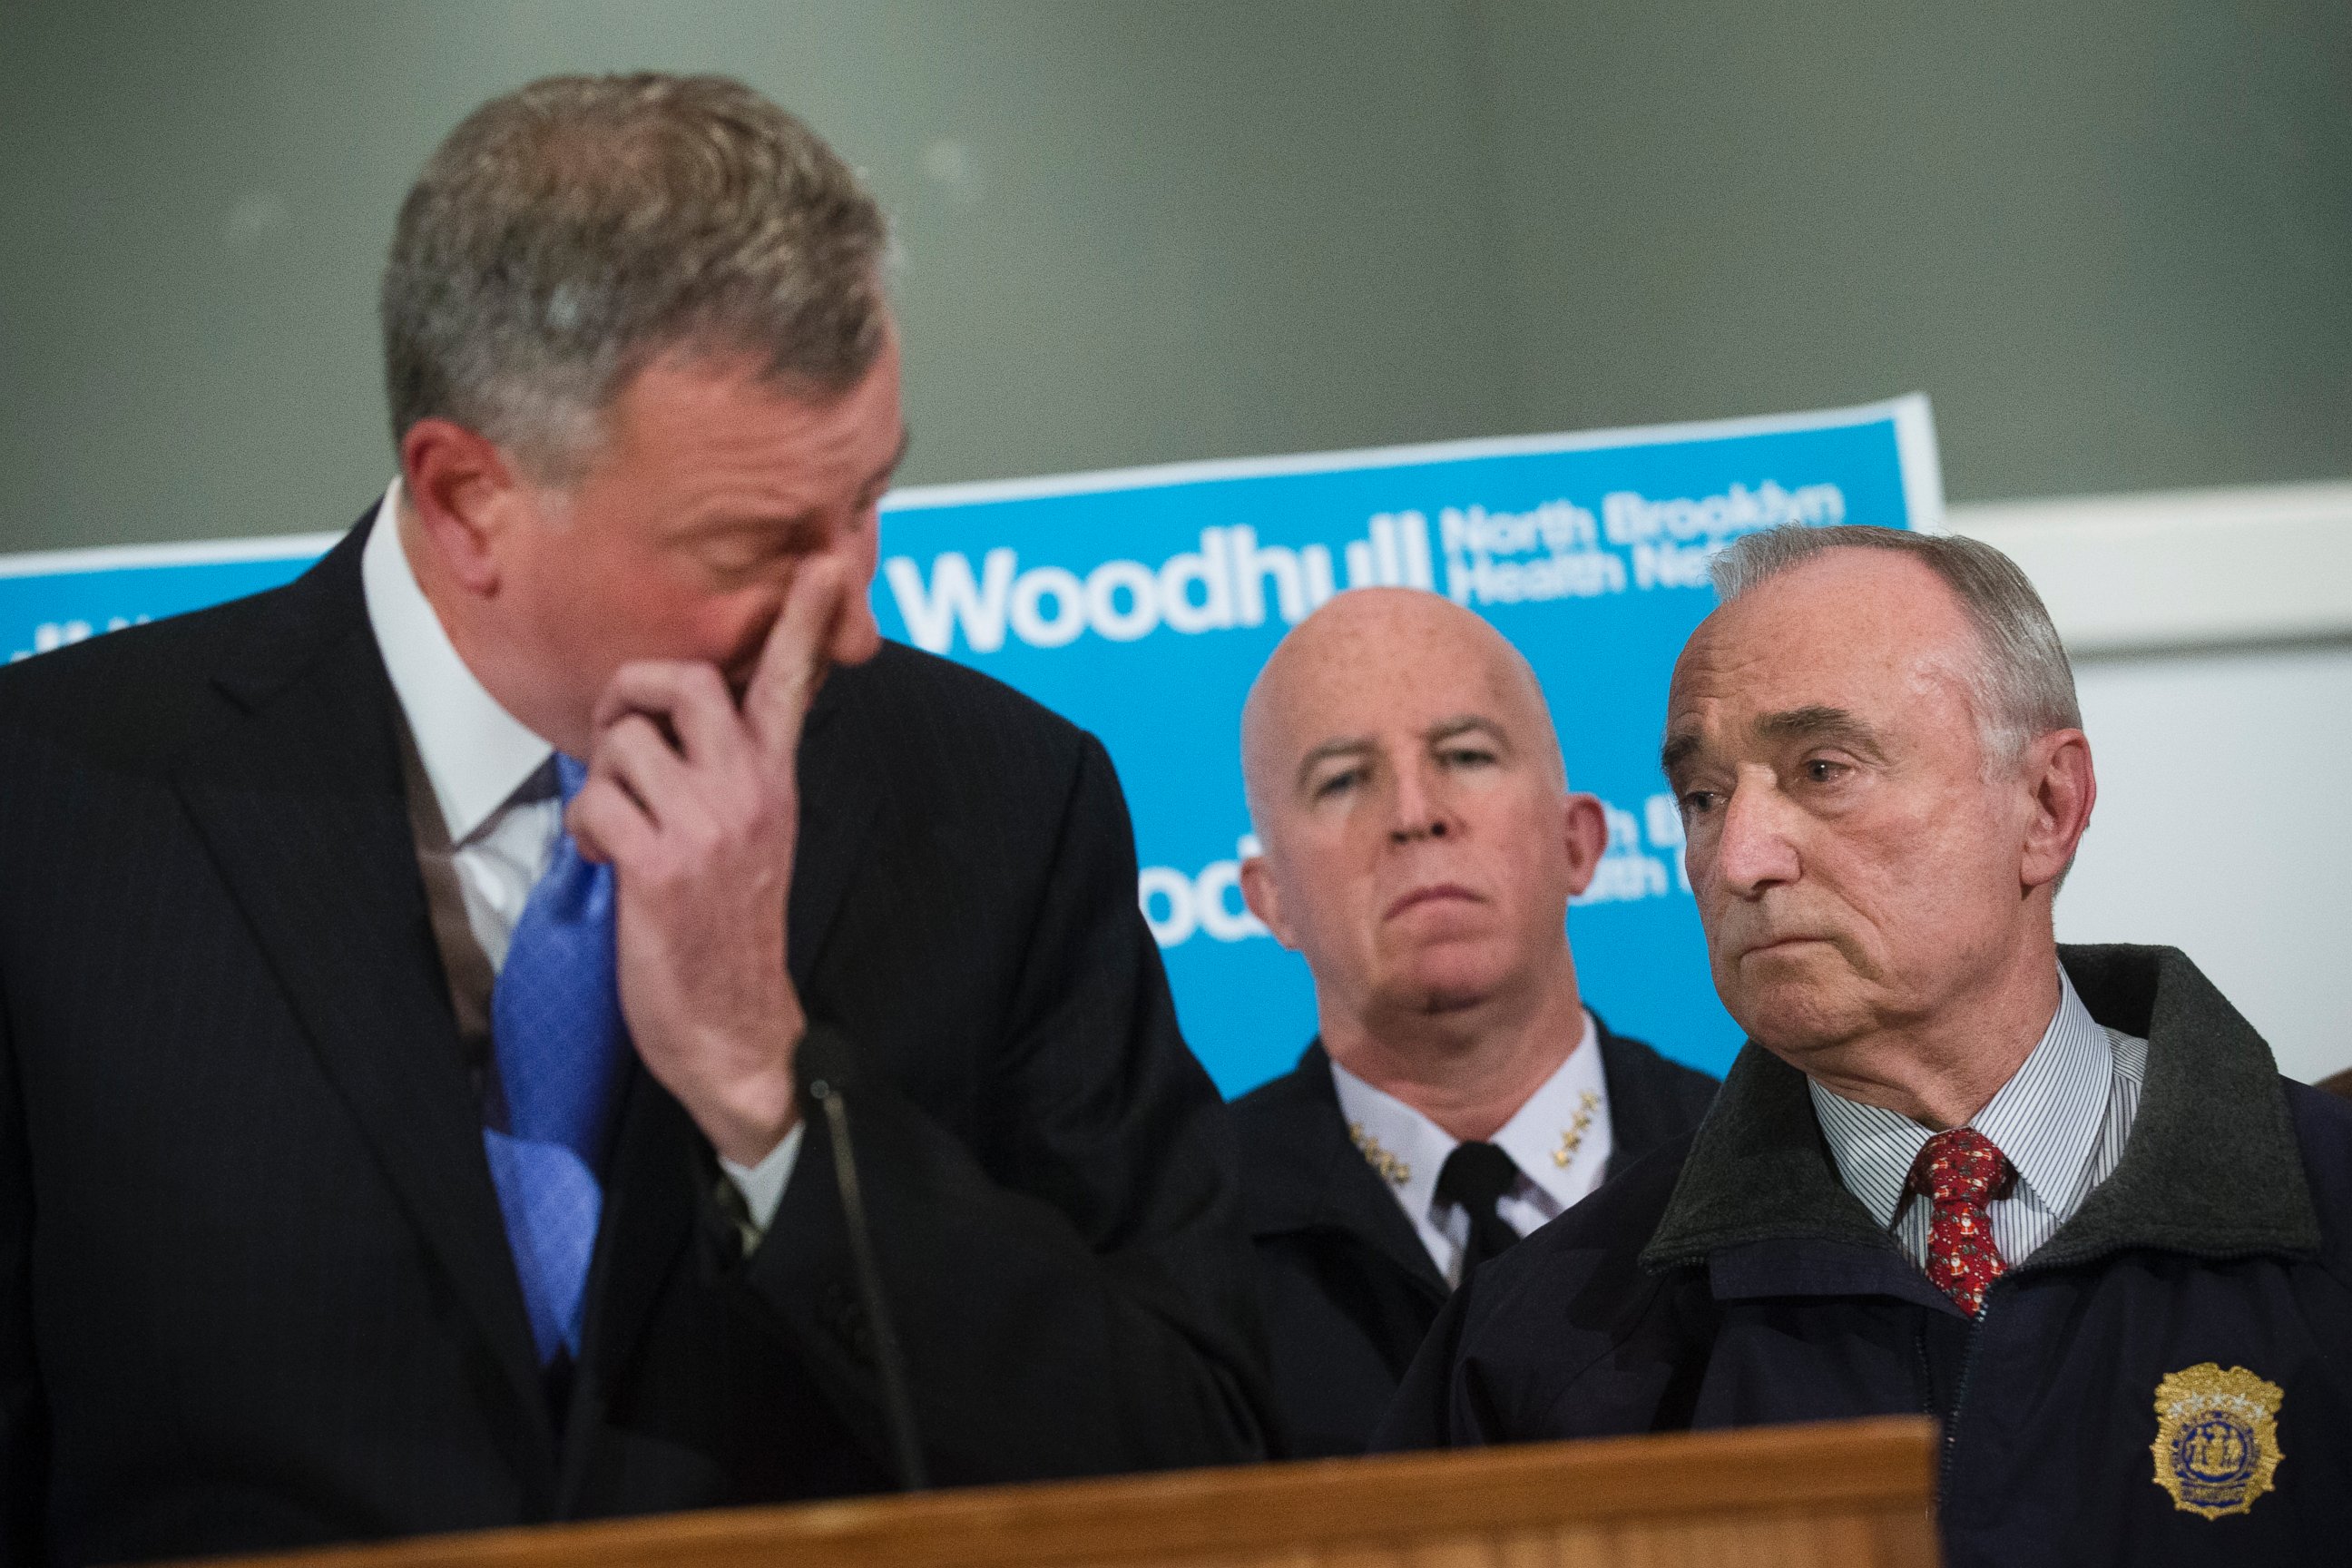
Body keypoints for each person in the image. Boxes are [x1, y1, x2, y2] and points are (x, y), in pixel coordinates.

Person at [0, 74, 1270, 1565]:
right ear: (468, 497)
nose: (852, 615)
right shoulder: (54, 808)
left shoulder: (1000, 805)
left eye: (870, 498)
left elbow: (1204, 1464)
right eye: (758, 541)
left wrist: (770, 1092)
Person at [1375, 525, 2352, 1564]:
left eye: (1824, 768)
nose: (1740, 857)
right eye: (1704, 797)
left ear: (2048, 806)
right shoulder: (1540, 1345)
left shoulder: (2329, 1219)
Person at [1228, 588, 1716, 1456]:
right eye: (1342, 779)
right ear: (1271, 901)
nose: (1415, 814)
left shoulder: (1757, 1173)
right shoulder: (1186, 1238)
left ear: (1579, 842)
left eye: (1466, 754)